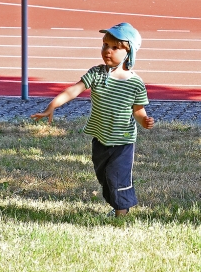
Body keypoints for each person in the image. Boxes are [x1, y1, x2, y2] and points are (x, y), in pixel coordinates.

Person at [31, 23, 154, 217]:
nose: (107, 50)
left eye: (115, 47)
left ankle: (121, 216)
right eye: (105, 45)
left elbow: (138, 110)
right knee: (104, 177)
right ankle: (117, 206)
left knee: (118, 179)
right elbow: (74, 90)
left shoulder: (135, 83)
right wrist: (52, 106)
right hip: (100, 139)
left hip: (122, 141)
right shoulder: (96, 74)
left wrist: (144, 120)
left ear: (129, 51)